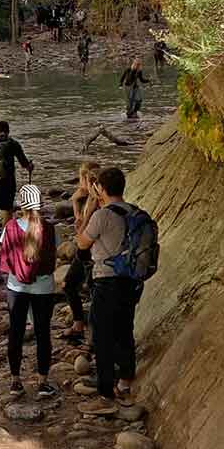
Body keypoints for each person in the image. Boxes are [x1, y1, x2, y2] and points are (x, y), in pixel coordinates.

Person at [75, 167, 142, 406]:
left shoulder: (102, 215)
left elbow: (82, 243)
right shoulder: (135, 211)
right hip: (132, 280)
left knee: (102, 333)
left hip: (107, 281)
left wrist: (88, 209)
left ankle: (105, 388)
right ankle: (125, 379)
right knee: (125, 329)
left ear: (101, 188)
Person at [0, 184, 60, 399]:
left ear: (21, 205)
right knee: (43, 333)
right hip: (43, 288)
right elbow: (55, 253)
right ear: (40, 205)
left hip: (17, 287)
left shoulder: (10, 227)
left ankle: (16, 381)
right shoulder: (50, 229)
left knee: (15, 332)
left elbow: (4, 254)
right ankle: (43, 382)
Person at [63, 161, 100, 344]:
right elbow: (78, 224)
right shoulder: (87, 200)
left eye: (80, 178)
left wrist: (79, 208)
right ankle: (79, 323)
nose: (79, 183)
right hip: (84, 252)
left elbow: (81, 233)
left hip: (91, 254)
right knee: (69, 284)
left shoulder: (96, 205)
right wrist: (76, 203)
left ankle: (93, 336)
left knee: (94, 294)